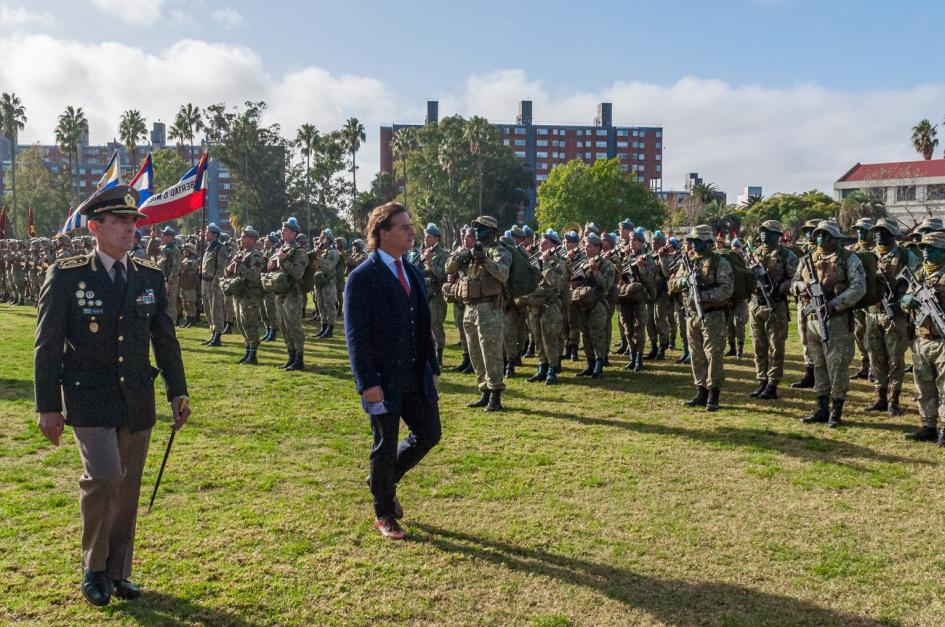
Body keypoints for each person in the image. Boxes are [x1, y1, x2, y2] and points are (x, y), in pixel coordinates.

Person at [33, 185, 190, 607]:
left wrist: (179, 390)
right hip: (88, 397)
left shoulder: (149, 276)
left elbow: (165, 339)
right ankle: (93, 567)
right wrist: (47, 406)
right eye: (120, 221)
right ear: (94, 226)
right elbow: (47, 345)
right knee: (104, 476)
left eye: (133, 221)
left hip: (136, 397)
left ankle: (118, 572)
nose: (130, 228)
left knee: (128, 487)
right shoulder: (67, 277)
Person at [344, 202, 441, 541]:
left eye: (411, 226)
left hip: (415, 374)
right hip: (382, 380)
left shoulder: (412, 270)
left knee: (430, 433)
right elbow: (356, 335)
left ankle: (381, 480)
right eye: (404, 227)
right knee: (384, 444)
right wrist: (367, 382)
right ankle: (384, 512)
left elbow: (424, 324)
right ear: (382, 233)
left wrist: (432, 367)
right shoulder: (362, 277)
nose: (411, 231)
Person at [793, 220, 866, 427]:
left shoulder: (849, 259)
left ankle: (837, 410)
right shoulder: (807, 259)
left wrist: (834, 304)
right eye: (818, 235)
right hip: (812, 321)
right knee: (818, 366)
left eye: (826, 235)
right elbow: (794, 283)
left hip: (837, 321)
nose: (820, 239)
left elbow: (858, 288)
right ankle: (821, 407)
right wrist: (802, 287)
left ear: (836, 239)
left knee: (838, 366)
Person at [446, 215, 512, 411]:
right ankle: (483, 390)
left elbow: (503, 274)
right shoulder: (469, 252)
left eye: (481, 228)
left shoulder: (499, 251)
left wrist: (485, 260)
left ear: (491, 231)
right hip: (470, 307)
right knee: (475, 352)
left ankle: (495, 395)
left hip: (489, 308)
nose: (477, 232)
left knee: (491, 352)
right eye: (475, 228)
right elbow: (448, 268)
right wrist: (461, 256)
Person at [669, 224, 734, 411]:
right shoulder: (687, 261)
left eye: (698, 241)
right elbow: (672, 284)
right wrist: (684, 281)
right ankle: (701, 391)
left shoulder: (719, 262)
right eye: (692, 241)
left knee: (713, 355)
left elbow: (726, 289)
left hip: (712, 315)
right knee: (696, 355)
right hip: (691, 316)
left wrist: (703, 295)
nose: (694, 245)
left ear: (708, 243)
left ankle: (713, 394)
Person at [746, 220, 798, 399]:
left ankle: (772, 383)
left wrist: (780, 287)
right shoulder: (755, 253)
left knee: (776, 347)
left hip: (776, 305)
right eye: (762, 231)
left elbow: (796, 279)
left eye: (768, 232)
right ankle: (761, 380)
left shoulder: (787, 255)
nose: (763, 234)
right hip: (756, 304)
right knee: (758, 345)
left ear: (777, 235)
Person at [267, 217, 309, 371]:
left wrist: (283, 260)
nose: (282, 232)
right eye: (282, 229)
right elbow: (274, 267)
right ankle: (290, 357)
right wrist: (272, 264)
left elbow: (298, 273)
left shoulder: (300, 251)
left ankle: (299, 358)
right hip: (280, 292)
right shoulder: (281, 248)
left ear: (294, 233)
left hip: (292, 293)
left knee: (294, 326)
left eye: (286, 230)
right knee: (283, 326)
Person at [225, 226, 266, 365]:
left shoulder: (255, 255)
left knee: (250, 323)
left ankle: (253, 354)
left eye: (244, 236)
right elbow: (230, 271)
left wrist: (240, 265)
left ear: (252, 239)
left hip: (250, 294)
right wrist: (230, 268)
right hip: (239, 293)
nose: (241, 239)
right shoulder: (241, 253)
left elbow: (254, 276)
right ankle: (247, 351)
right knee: (241, 323)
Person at [200, 223, 227, 346]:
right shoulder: (209, 247)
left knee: (216, 309)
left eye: (208, 232)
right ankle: (213, 333)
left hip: (213, 282)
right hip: (205, 281)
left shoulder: (220, 248)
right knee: (207, 308)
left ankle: (217, 336)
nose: (206, 234)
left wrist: (216, 283)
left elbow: (221, 267)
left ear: (214, 234)